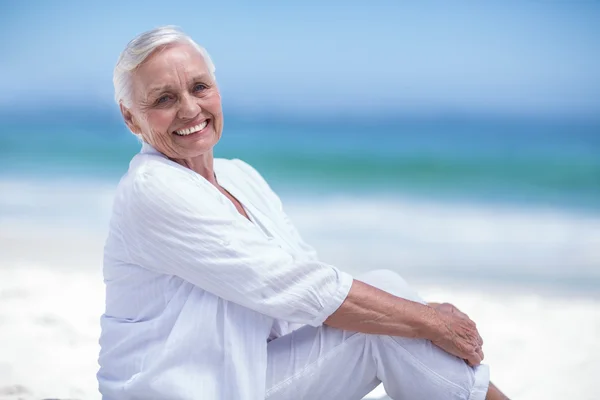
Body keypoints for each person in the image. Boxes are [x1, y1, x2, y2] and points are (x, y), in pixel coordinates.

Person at [97, 25, 510, 400]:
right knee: (391, 323)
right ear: (130, 116)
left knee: (394, 319)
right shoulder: (153, 188)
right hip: (189, 389)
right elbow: (290, 285)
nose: (189, 110)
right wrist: (427, 321)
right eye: (164, 99)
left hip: (249, 373)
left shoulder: (239, 176)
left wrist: (416, 321)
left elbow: (302, 286)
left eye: (200, 87)